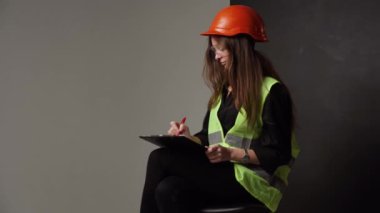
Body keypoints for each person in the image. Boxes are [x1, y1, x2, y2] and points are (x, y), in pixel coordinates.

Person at [140, 5, 300, 213]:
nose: (216, 56)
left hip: (254, 183)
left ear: (239, 48)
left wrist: (231, 153)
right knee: (168, 189)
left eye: (221, 49)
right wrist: (188, 138)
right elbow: (210, 137)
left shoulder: (271, 91)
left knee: (159, 158)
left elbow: (279, 154)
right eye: (213, 49)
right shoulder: (223, 92)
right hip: (224, 173)